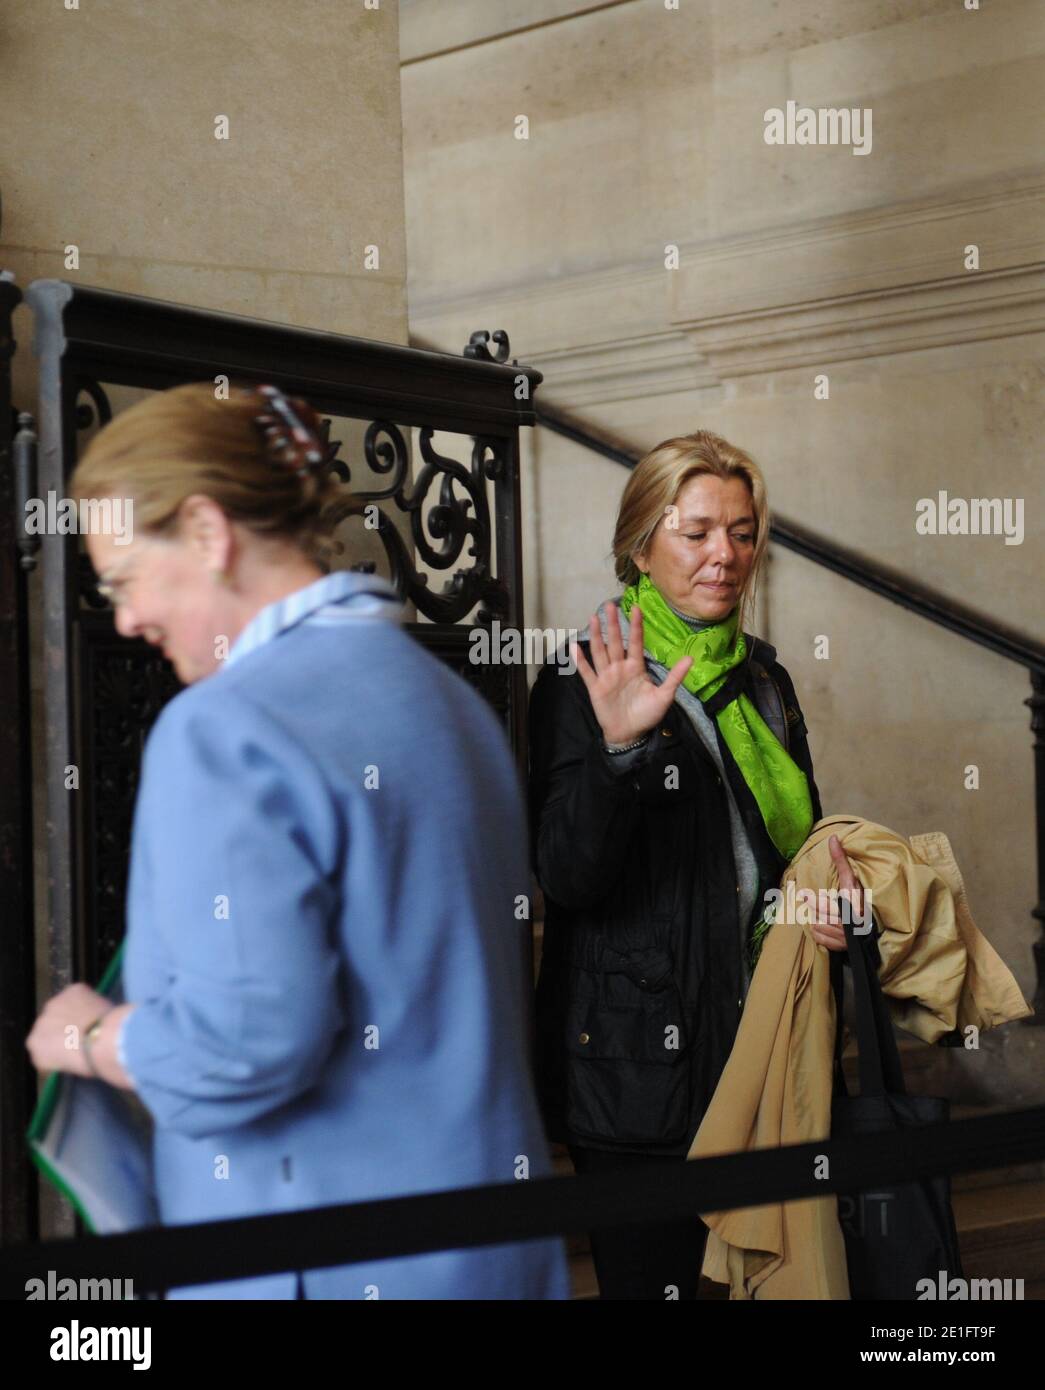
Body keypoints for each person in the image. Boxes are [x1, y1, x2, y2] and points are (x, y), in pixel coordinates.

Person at [26, 380, 571, 1301]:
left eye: (122, 578)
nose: (124, 620)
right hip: (491, 1256)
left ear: (206, 531)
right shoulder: (451, 704)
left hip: (316, 1265)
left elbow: (243, 1048)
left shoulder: (223, 728)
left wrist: (90, 1035)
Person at [528, 429, 872, 1301]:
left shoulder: (765, 680)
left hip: (769, 1043)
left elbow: (792, 854)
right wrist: (618, 750)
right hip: (644, 1072)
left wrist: (828, 898)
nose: (726, 555)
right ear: (640, 543)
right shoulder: (582, 679)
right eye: (696, 531)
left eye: (744, 531)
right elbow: (568, 877)